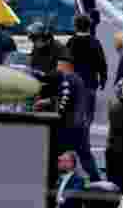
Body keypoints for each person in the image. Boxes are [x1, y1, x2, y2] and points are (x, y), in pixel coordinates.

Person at [36, 51, 102, 182]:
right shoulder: (77, 79)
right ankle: (96, 180)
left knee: (54, 152)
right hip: (80, 125)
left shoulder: (67, 80)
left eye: (59, 65)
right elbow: (67, 98)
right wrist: (47, 101)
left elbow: (64, 102)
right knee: (85, 155)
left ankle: (51, 180)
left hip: (69, 126)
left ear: (66, 65)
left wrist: (54, 116)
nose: (57, 68)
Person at [66, 14, 108, 119]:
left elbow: (65, 63)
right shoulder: (94, 42)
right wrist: (103, 78)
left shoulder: (71, 42)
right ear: (89, 26)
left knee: (74, 112)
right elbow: (101, 63)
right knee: (89, 114)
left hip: (74, 83)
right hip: (90, 82)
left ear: (75, 26)